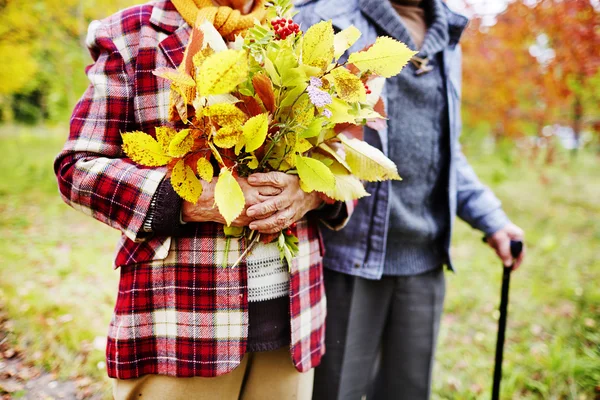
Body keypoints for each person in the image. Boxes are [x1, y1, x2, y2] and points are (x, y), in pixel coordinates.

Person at [53, 0, 350, 398]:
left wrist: (310, 194)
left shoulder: (297, 33)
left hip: (293, 319)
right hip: (182, 325)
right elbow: (77, 167)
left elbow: (342, 153)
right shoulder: (133, 33)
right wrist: (189, 200)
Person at [294, 0, 526, 399]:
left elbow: (446, 149)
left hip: (424, 261)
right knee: (336, 390)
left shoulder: (447, 37)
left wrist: (492, 219)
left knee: (408, 390)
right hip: (345, 259)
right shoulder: (326, 20)